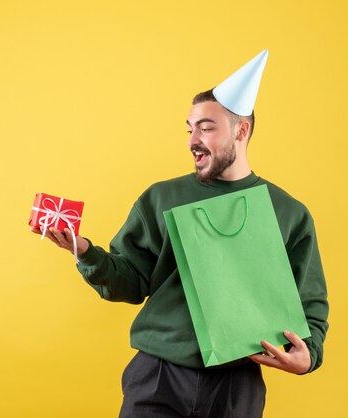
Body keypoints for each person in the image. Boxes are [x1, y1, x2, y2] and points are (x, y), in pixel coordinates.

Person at [31, 50, 329, 418]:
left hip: (238, 382)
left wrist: (308, 355)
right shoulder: (161, 197)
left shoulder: (288, 214)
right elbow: (132, 280)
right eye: (190, 129)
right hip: (159, 374)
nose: (192, 140)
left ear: (241, 130)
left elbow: (310, 301)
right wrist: (87, 253)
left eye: (206, 127)